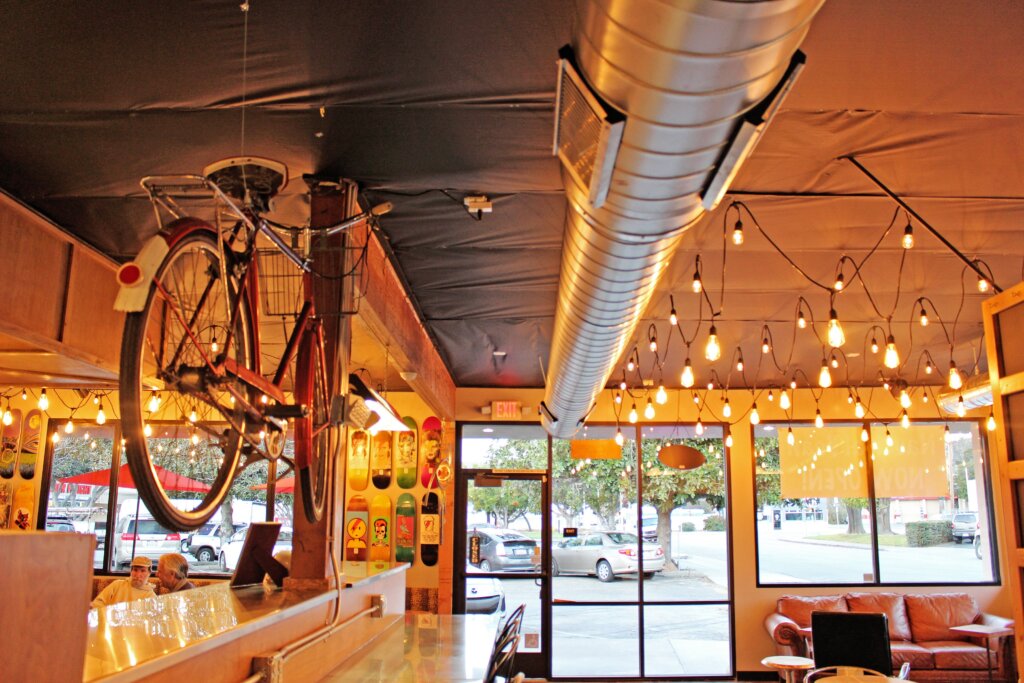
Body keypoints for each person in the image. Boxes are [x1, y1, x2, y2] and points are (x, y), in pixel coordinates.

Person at [91, 556, 156, 608]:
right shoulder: (117, 585)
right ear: (131, 571)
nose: (138, 575)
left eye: (143, 571)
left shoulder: (151, 596)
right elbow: (98, 602)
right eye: (135, 570)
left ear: (149, 573)